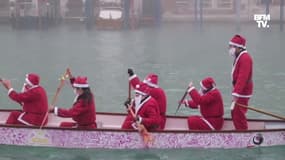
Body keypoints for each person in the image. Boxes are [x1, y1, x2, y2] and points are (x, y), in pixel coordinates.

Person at [228, 34, 253, 130]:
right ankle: (239, 130)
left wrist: (236, 94)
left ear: (238, 47)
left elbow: (242, 78)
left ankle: (243, 134)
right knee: (234, 112)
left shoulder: (245, 58)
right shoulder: (240, 56)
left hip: (242, 92)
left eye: (232, 47)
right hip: (239, 91)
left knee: (238, 114)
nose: (230, 49)